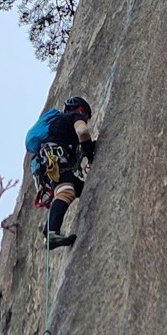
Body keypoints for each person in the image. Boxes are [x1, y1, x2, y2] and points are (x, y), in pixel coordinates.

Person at [39, 95, 96, 250]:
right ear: (81, 110)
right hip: (56, 158)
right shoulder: (75, 116)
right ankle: (51, 232)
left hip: (49, 163)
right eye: (86, 117)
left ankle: (49, 225)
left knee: (83, 189)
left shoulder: (59, 125)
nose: (85, 119)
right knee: (67, 192)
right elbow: (83, 132)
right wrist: (91, 154)